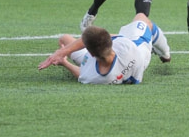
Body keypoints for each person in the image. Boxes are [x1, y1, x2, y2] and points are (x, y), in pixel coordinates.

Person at [38, 13, 171, 84]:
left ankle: (164, 52)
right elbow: (115, 37)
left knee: (64, 39)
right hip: (140, 54)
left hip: (110, 61)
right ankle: (165, 53)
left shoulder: (94, 76)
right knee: (141, 17)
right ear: (111, 42)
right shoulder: (127, 46)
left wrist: (64, 62)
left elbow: (82, 74)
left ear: (90, 53)